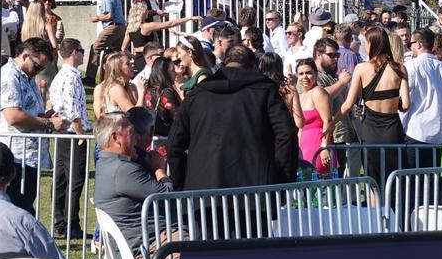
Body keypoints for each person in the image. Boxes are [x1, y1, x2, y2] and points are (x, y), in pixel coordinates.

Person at [166, 45, 298, 192]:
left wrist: (182, 183)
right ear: (254, 66)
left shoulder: (196, 95)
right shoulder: (265, 91)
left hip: (204, 194)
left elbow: (173, 145)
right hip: (254, 193)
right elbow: (287, 135)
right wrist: (283, 181)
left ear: (224, 63)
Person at [328, 27, 409, 187]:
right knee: (394, 179)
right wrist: (392, 101)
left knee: (373, 180)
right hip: (392, 129)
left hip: (370, 131)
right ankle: (394, 211)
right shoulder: (400, 68)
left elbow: (348, 104)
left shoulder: (362, 68)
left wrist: (332, 124)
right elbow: (406, 105)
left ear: (373, 44)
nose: (364, 46)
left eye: (366, 42)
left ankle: (376, 210)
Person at [92, 112, 174, 259]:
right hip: (147, 248)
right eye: (131, 132)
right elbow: (168, 197)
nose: (137, 137)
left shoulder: (107, 164)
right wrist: (159, 169)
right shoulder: (123, 170)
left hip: (150, 242)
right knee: (202, 248)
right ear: (115, 138)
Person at [0, 38, 63, 211]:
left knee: (26, 205)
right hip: (15, 155)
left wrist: (44, 116)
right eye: (37, 67)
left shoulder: (27, 77)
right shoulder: (9, 76)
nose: (38, 72)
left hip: (30, 156)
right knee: (18, 209)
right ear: (26, 56)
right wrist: (48, 123)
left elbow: (29, 112)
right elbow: (13, 116)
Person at [47, 38, 90, 239]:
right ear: (74, 52)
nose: (83, 53)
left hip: (64, 132)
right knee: (74, 179)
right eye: (81, 50)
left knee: (62, 179)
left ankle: (60, 222)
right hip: (72, 133)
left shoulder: (60, 76)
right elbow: (73, 109)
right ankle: (70, 223)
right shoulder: (71, 77)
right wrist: (81, 133)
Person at [402, 30, 442, 168]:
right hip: (437, 133)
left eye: (411, 44)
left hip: (415, 132)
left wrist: (401, 128)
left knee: (412, 182)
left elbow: (404, 101)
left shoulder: (412, 66)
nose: (410, 47)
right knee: (431, 181)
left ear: (419, 44)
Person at [293, 59, 333, 174]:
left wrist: (324, 147)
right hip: (303, 147)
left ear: (316, 74)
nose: (304, 77)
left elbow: (328, 120)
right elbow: (300, 128)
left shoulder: (318, 92)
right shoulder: (301, 96)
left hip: (318, 145)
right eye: (301, 74)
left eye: (308, 73)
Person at [86, 0, 124, 84]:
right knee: (115, 52)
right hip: (120, 26)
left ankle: (90, 77)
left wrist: (96, 18)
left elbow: (109, 15)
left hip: (113, 26)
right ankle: (117, 75)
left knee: (95, 47)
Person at [142, 56, 181, 137]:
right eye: (172, 70)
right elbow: (179, 118)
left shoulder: (149, 90)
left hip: (152, 138)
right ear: (164, 73)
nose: (176, 73)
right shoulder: (166, 93)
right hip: (166, 139)